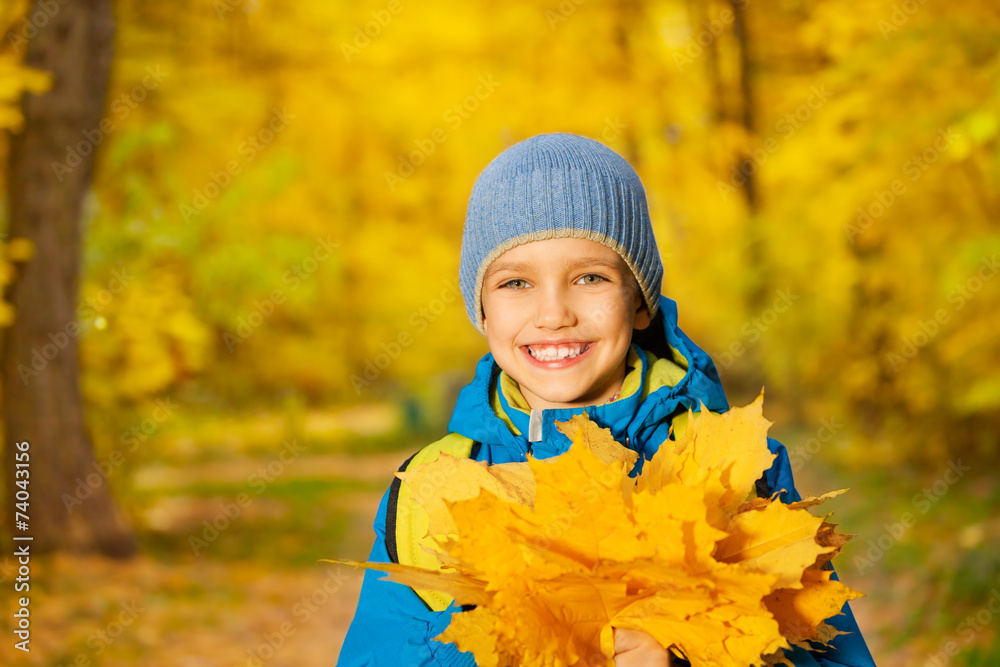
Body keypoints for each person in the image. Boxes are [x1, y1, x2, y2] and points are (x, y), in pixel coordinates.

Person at [337, 133, 876, 666]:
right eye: (515, 284)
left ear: (640, 303)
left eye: (589, 277)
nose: (554, 314)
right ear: (481, 312)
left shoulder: (727, 466)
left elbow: (828, 652)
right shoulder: (432, 491)